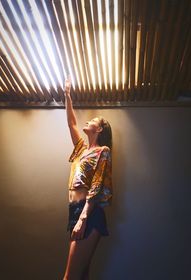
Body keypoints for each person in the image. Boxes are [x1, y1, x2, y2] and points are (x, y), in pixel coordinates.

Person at [63, 77, 113, 280]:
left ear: (99, 130)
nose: (88, 121)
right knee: (82, 276)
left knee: (70, 278)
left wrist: (83, 218)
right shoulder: (81, 149)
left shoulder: (103, 151)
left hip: (88, 213)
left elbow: (97, 184)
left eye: (93, 121)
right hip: (75, 211)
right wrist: (67, 95)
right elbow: (71, 123)